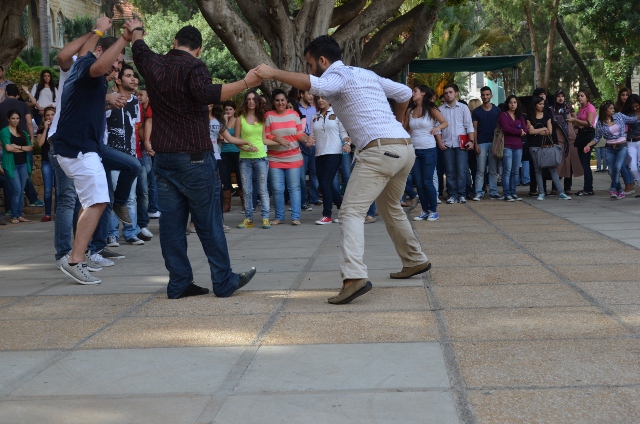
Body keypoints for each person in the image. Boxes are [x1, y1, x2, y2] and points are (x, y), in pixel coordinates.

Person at [255, 35, 430, 304]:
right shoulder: (365, 74)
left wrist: (271, 72)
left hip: (380, 151)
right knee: (390, 207)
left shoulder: (337, 76)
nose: (309, 70)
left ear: (323, 61)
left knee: (350, 212)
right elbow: (405, 94)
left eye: (310, 64)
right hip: (403, 148)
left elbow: (318, 84)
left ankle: (354, 277)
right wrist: (396, 123)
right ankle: (415, 260)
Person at [132, 24, 259, 299]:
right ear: (198, 48)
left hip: (164, 159)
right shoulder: (195, 67)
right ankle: (223, 282)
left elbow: (138, 49)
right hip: (194, 158)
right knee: (209, 224)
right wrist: (247, 82)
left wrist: (136, 30)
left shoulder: (153, 63)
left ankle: (179, 283)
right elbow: (207, 94)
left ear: (175, 40)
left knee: (171, 226)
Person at [52, 18, 136, 285]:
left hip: (80, 146)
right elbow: (94, 60)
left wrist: (107, 102)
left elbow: (86, 102)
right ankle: (75, 260)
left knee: (93, 201)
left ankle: (78, 255)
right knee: (98, 200)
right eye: (114, 63)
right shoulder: (89, 65)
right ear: (100, 52)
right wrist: (124, 37)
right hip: (76, 148)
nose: (115, 69)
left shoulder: (85, 66)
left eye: (119, 66)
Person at [104, 64, 145, 246]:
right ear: (118, 80)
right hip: (112, 155)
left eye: (134, 75)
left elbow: (137, 128)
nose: (133, 79)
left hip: (131, 155)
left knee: (131, 196)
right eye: (128, 75)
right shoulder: (108, 100)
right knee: (112, 196)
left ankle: (131, 231)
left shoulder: (136, 102)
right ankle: (112, 233)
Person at [403, 85, 447, 221]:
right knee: (419, 183)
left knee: (428, 181)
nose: (413, 93)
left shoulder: (431, 109)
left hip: (429, 149)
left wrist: (437, 127)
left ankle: (433, 210)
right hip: (414, 149)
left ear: (423, 93)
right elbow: (405, 129)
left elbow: (445, 122)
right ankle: (425, 210)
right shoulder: (410, 110)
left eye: (415, 91)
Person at [264, 89, 306, 226]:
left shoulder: (294, 114)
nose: (280, 103)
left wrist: (307, 139)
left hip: (293, 156)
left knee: (294, 188)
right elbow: (266, 135)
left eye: (282, 100)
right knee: (277, 189)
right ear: (273, 102)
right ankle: (279, 217)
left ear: (286, 101)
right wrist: (277, 139)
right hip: (274, 158)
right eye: (277, 100)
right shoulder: (268, 116)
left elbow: (299, 133)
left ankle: (295, 217)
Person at [583, 101, 640, 199]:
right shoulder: (600, 123)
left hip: (622, 147)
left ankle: (612, 189)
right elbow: (597, 138)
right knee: (611, 172)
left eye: (613, 108)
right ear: (605, 110)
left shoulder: (619, 116)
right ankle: (620, 191)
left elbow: (633, 119)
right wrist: (588, 144)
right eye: (611, 108)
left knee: (617, 167)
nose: (613, 110)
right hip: (609, 148)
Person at [309, 94, 349, 224]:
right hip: (319, 153)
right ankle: (344, 209)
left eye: (324, 98)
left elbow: (344, 133)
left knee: (326, 182)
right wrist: (309, 140)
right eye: (318, 98)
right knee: (324, 184)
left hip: (334, 152)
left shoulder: (337, 114)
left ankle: (327, 214)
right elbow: (312, 135)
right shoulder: (314, 117)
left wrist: (347, 144)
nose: (320, 100)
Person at [438, 83, 475, 204]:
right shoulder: (441, 109)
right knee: (449, 171)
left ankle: (462, 194)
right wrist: (440, 142)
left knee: (462, 170)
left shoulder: (463, 108)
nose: (448, 95)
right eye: (446, 93)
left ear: (456, 93)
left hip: (462, 144)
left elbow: (469, 126)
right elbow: (437, 128)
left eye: (450, 92)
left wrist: (471, 141)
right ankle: (452, 194)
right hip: (447, 143)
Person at [526, 96, 568, 200]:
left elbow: (549, 131)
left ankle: (561, 192)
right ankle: (541, 192)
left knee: (553, 168)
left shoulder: (547, 115)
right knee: (537, 169)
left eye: (543, 104)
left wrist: (538, 130)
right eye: (540, 104)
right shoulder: (529, 116)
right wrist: (542, 129)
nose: (542, 106)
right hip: (534, 146)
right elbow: (530, 132)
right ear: (535, 104)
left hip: (546, 146)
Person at [1, 110, 33, 223]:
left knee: (21, 190)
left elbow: (30, 148)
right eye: (13, 118)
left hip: (23, 164)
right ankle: (14, 215)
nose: (15, 120)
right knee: (16, 190)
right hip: (11, 165)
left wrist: (18, 147)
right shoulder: (4, 131)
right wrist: (22, 148)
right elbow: (8, 148)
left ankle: (19, 215)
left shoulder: (23, 132)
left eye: (17, 118)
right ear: (8, 119)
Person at [472, 86, 502, 200]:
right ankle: (479, 192)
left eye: (487, 94)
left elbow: (500, 127)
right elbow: (474, 129)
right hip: (481, 143)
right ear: (481, 96)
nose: (485, 97)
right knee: (480, 169)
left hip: (494, 143)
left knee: (493, 169)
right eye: (483, 95)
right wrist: (475, 144)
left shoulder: (497, 110)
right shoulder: (476, 111)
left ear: (491, 95)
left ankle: (493, 191)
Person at [550, 89, 581, 196]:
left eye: (562, 96)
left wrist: (575, 133)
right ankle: (555, 188)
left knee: (570, 165)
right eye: (558, 96)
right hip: (558, 140)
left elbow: (575, 122)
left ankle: (568, 188)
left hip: (570, 140)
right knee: (558, 164)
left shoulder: (569, 108)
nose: (560, 98)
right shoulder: (551, 109)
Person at [498, 95, 529, 201]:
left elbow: (525, 130)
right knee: (507, 170)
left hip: (518, 146)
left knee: (515, 171)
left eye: (515, 102)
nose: (513, 104)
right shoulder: (503, 115)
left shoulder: (520, 116)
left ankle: (513, 192)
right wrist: (518, 132)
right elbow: (506, 129)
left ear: (517, 104)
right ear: (507, 103)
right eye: (511, 102)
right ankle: (506, 193)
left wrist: (519, 132)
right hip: (507, 146)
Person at [567, 90, 596, 196]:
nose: (580, 98)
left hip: (587, 136)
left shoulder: (590, 107)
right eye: (578, 96)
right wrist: (576, 123)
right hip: (581, 135)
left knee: (585, 163)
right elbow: (578, 124)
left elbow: (588, 123)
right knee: (584, 163)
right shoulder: (581, 109)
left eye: (582, 96)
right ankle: (587, 187)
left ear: (587, 97)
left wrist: (575, 120)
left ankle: (588, 188)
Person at [297, 90, 320, 209]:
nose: (311, 96)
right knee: (301, 175)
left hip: (314, 141)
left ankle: (314, 198)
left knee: (314, 172)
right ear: (301, 94)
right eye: (308, 93)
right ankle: (302, 200)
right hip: (300, 142)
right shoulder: (296, 108)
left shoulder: (315, 109)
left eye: (312, 94)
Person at [220, 100, 242, 212]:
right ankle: (226, 205)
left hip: (237, 152)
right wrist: (224, 121)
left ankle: (244, 204)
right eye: (226, 109)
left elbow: (239, 137)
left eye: (230, 109)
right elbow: (219, 136)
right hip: (225, 153)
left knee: (240, 177)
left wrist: (227, 140)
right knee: (225, 178)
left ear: (234, 110)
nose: (228, 111)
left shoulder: (238, 120)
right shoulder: (222, 121)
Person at [36, 106, 56, 221]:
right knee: (48, 189)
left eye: (52, 114)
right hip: (46, 161)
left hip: (58, 161)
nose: (50, 117)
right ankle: (48, 213)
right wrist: (45, 129)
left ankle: (58, 212)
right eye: (47, 115)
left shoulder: (59, 127)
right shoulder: (41, 128)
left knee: (59, 189)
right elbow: (39, 144)